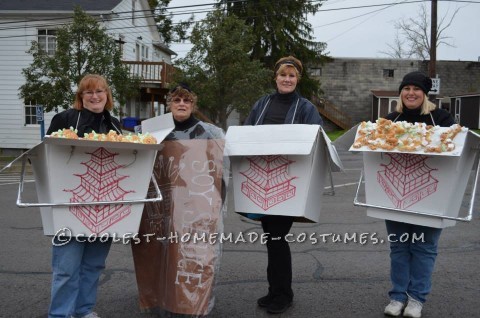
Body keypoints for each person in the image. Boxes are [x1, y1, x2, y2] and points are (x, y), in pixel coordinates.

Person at [131, 83, 227, 316]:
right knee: (158, 251)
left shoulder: (209, 133)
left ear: (193, 104)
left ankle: (191, 302)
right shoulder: (153, 133)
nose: (181, 104)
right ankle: (159, 299)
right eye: (177, 100)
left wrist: (217, 203)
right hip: (160, 205)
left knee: (193, 253)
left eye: (186, 100)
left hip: (196, 204)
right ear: (169, 104)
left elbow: (219, 171)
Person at [243, 56, 323, 314]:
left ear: (297, 79)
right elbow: (247, 133)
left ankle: (283, 294)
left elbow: (316, 140)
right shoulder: (262, 104)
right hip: (262, 177)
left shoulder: (305, 107)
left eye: (292, 76)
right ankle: (274, 290)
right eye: (282, 75)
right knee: (271, 238)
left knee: (277, 238)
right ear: (275, 77)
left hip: (288, 179)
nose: (287, 79)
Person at [46, 74, 122, 318]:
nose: (95, 96)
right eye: (88, 92)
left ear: (107, 95)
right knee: (66, 268)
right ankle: (60, 314)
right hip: (70, 203)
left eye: (100, 91)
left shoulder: (116, 125)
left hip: (106, 204)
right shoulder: (65, 119)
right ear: (80, 97)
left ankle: (83, 310)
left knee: (93, 265)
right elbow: (49, 155)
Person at [382, 71, 455, 318]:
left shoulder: (442, 119)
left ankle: (416, 299)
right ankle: (397, 296)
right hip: (394, 194)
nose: (411, 93)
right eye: (406, 88)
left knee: (424, 247)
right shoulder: (390, 120)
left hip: (432, 192)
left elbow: (455, 149)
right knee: (400, 246)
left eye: (416, 89)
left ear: (425, 94)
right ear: (400, 92)